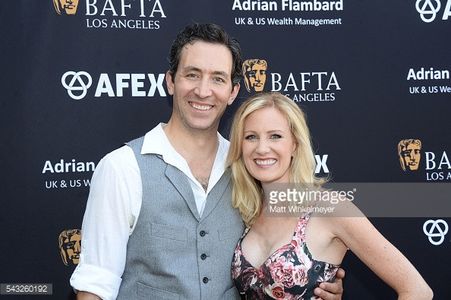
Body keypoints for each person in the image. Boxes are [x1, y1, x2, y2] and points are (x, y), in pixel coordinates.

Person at [70, 23, 344, 300]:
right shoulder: (121, 168)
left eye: (217, 78)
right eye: (192, 74)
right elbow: (95, 285)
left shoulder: (251, 167)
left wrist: (315, 282)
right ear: (170, 80)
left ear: (233, 92)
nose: (203, 91)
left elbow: (290, 244)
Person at [227, 91, 433, 299]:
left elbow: (418, 290)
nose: (262, 148)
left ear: (295, 144)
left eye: (275, 136)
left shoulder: (329, 208)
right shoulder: (247, 210)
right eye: (251, 137)